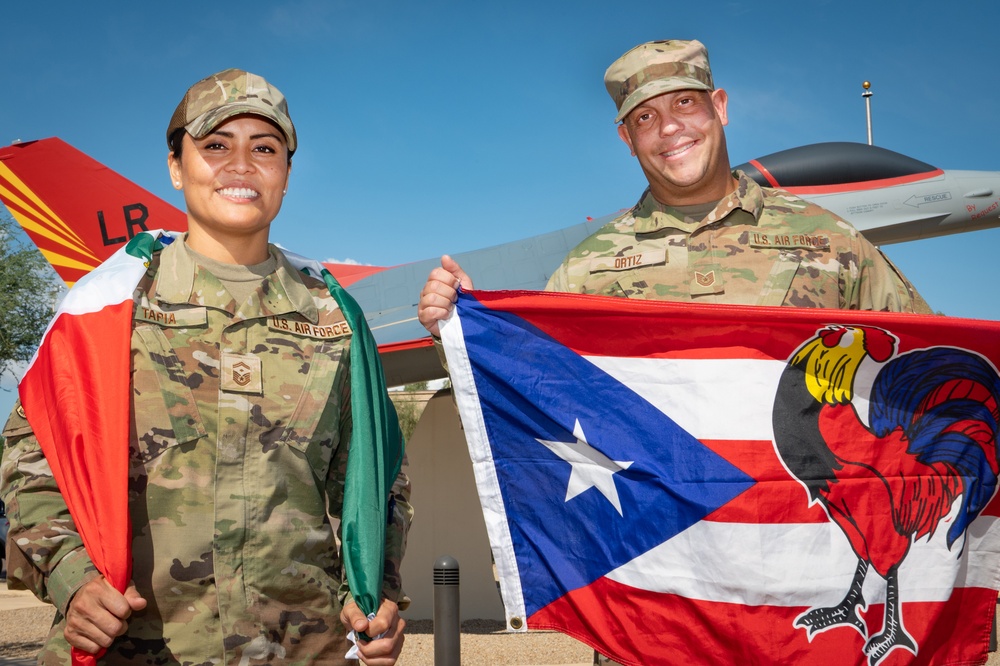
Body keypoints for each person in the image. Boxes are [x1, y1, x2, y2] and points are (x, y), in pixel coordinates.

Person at [417, 39, 932, 664]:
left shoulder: (832, 244)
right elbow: (537, 391)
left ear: (718, 107)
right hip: (659, 601)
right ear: (625, 138)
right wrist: (466, 331)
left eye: (684, 103)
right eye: (645, 117)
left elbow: (916, 361)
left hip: (799, 587)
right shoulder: (589, 270)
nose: (669, 128)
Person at [1, 68, 411, 665]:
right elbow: (31, 462)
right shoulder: (106, 310)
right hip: (135, 649)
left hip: (301, 651)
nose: (241, 165)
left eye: (265, 149)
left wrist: (376, 597)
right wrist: (73, 580)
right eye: (216, 145)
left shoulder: (337, 318)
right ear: (176, 166)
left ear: (287, 175)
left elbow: (377, 484)